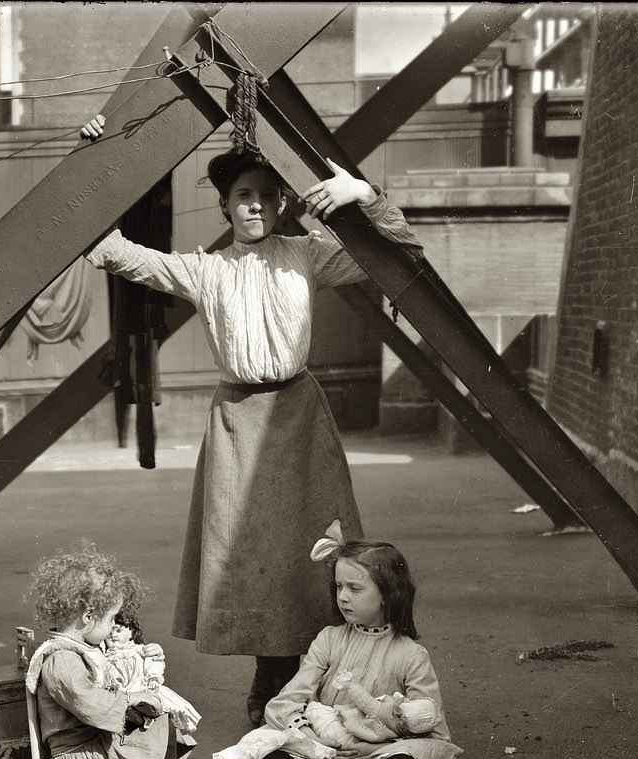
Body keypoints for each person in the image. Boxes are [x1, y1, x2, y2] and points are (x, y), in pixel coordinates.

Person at [78, 114, 423, 727]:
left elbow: (396, 252)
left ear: (285, 201)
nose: (256, 206)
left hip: (301, 416)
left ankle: (317, 674)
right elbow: (111, 251)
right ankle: (271, 676)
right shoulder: (206, 270)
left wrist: (361, 194)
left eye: (268, 195)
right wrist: (91, 157)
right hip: (237, 422)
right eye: (243, 196)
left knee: (318, 551)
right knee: (251, 556)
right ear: (224, 207)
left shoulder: (309, 256)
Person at [211, 522, 461, 759]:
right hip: (323, 748)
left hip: (377, 755)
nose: (343, 597)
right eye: (339, 586)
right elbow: (286, 701)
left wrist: (370, 750)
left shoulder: (411, 655)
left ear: (387, 594)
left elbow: (430, 727)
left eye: (355, 588)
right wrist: (310, 735)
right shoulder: (329, 639)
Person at [23, 545, 211, 759]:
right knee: (157, 724)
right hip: (80, 754)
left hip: (94, 737)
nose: (113, 627)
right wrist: (132, 702)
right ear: (87, 617)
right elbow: (89, 703)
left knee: (160, 715)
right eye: (111, 619)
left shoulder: (81, 649)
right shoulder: (62, 659)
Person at [103, 603, 201, 751]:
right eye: (110, 632)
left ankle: (147, 717)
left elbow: (153, 663)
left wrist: (153, 677)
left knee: (159, 718)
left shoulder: (139, 650)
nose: (114, 635)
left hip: (142, 688)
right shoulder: (105, 656)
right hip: (121, 694)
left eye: (118, 630)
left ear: (130, 632)